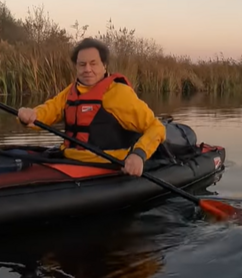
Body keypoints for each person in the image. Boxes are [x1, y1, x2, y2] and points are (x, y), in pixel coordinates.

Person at [17, 38, 166, 177]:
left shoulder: (119, 93)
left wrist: (138, 155)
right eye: (82, 64)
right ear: (76, 66)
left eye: (93, 63)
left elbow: (156, 127)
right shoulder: (71, 91)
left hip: (108, 165)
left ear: (104, 65)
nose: (87, 69)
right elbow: (47, 111)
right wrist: (30, 115)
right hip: (71, 160)